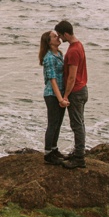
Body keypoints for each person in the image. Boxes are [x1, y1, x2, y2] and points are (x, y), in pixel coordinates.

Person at [55, 20, 88, 169]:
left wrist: (66, 95)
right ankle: (78, 152)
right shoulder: (78, 45)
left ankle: (79, 157)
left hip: (76, 91)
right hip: (82, 89)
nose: (60, 39)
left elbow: (72, 77)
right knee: (79, 122)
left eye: (61, 36)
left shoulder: (74, 50)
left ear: (66, 34)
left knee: (77, 124)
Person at [38, 30, 69, 165]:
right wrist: (60, 99)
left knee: (58, 123)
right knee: (52, 124)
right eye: (55, 36)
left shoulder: (59, 54)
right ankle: (48, 153)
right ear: (49, 42)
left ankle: (54, 148)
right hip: (52, 94)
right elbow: (52, 79)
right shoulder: (49, 57)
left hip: (59, 94)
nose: (58, 37)